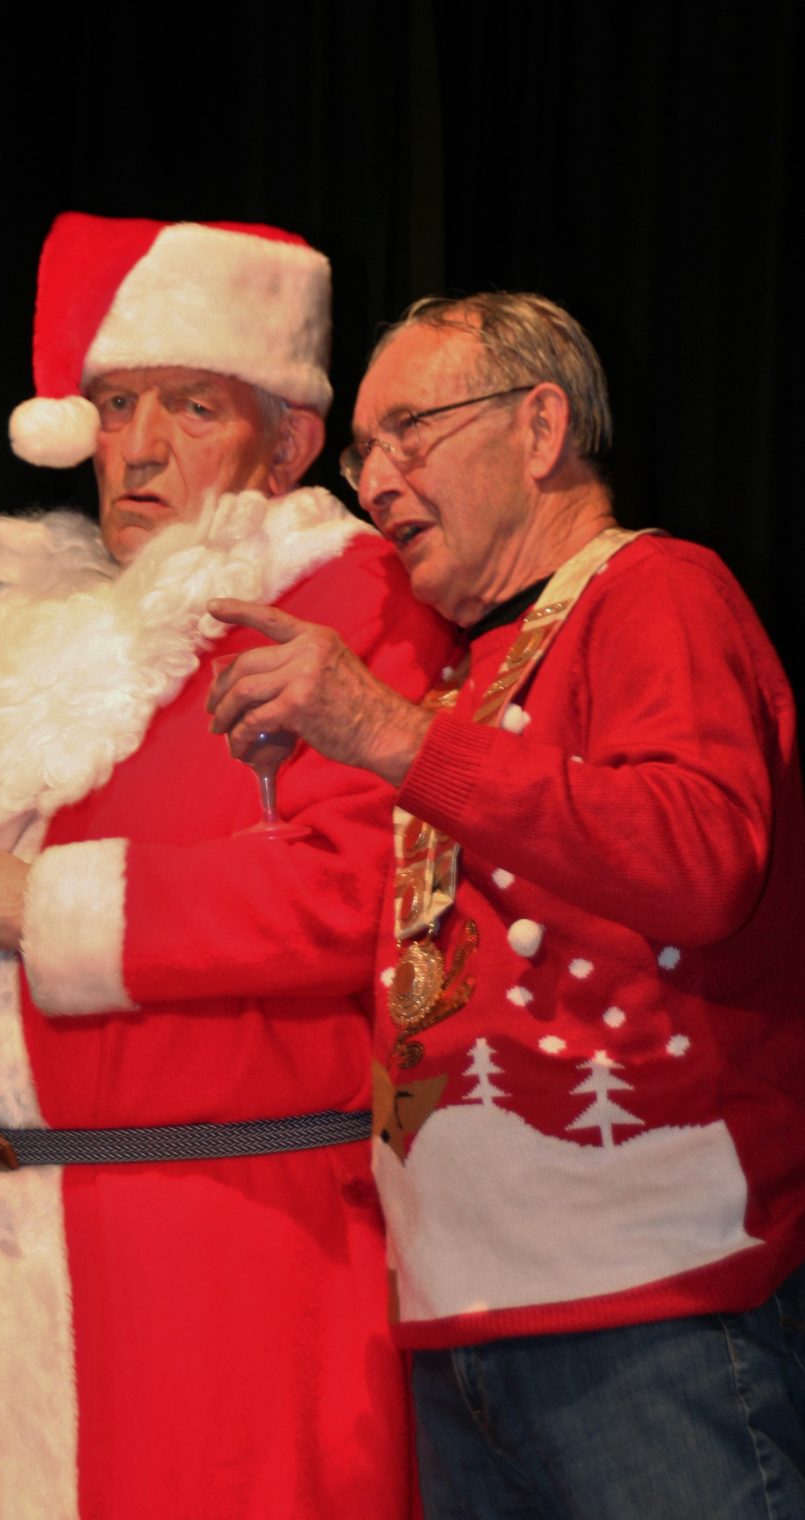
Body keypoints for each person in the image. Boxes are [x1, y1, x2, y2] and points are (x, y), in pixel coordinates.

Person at [0, 215, 452, 1520]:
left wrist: (19, 904)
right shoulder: (19, 637)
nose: (141, 446)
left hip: (225, 1251)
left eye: (191, 405)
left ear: (288, 440)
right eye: (115, 406)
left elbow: (360, 894)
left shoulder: (345, 600)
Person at [208, 292, 805, 1519]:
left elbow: (703, 857)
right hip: (457, 1320)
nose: (379, 480)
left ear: (541, 428)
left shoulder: (657, 588)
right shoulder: (458, 668)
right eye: (362, 452)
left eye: (410, 430)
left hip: (653, 1307)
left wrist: (384, 731)